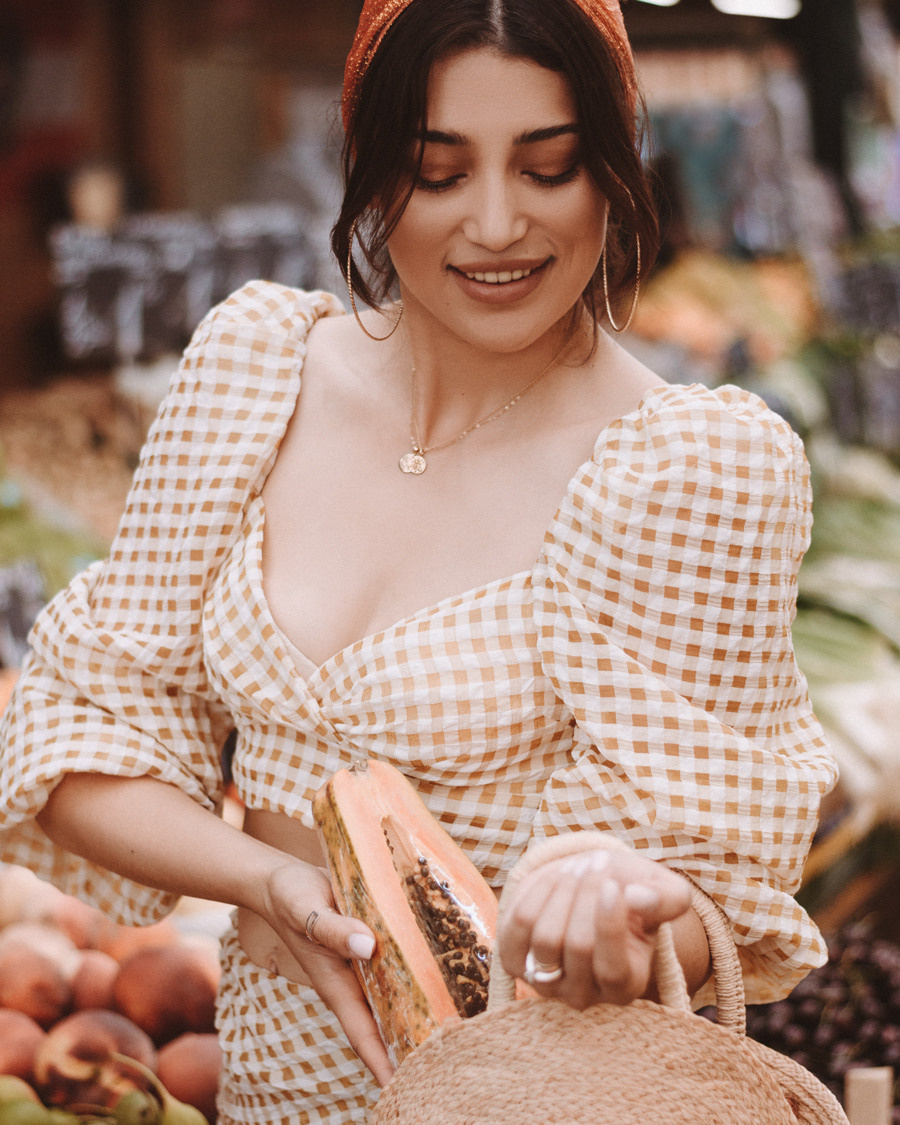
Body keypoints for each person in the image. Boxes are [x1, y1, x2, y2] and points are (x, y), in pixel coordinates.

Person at [0, 0, 837, 1121]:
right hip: (264, 1093)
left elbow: (708, 889)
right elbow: (88, 725)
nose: (496, 225)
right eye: (438, 173)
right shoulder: (257, 377)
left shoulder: (689, 472)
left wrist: (632, 910)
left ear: (614, 169)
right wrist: (267, 880)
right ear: (366, 167)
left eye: (549, 167)